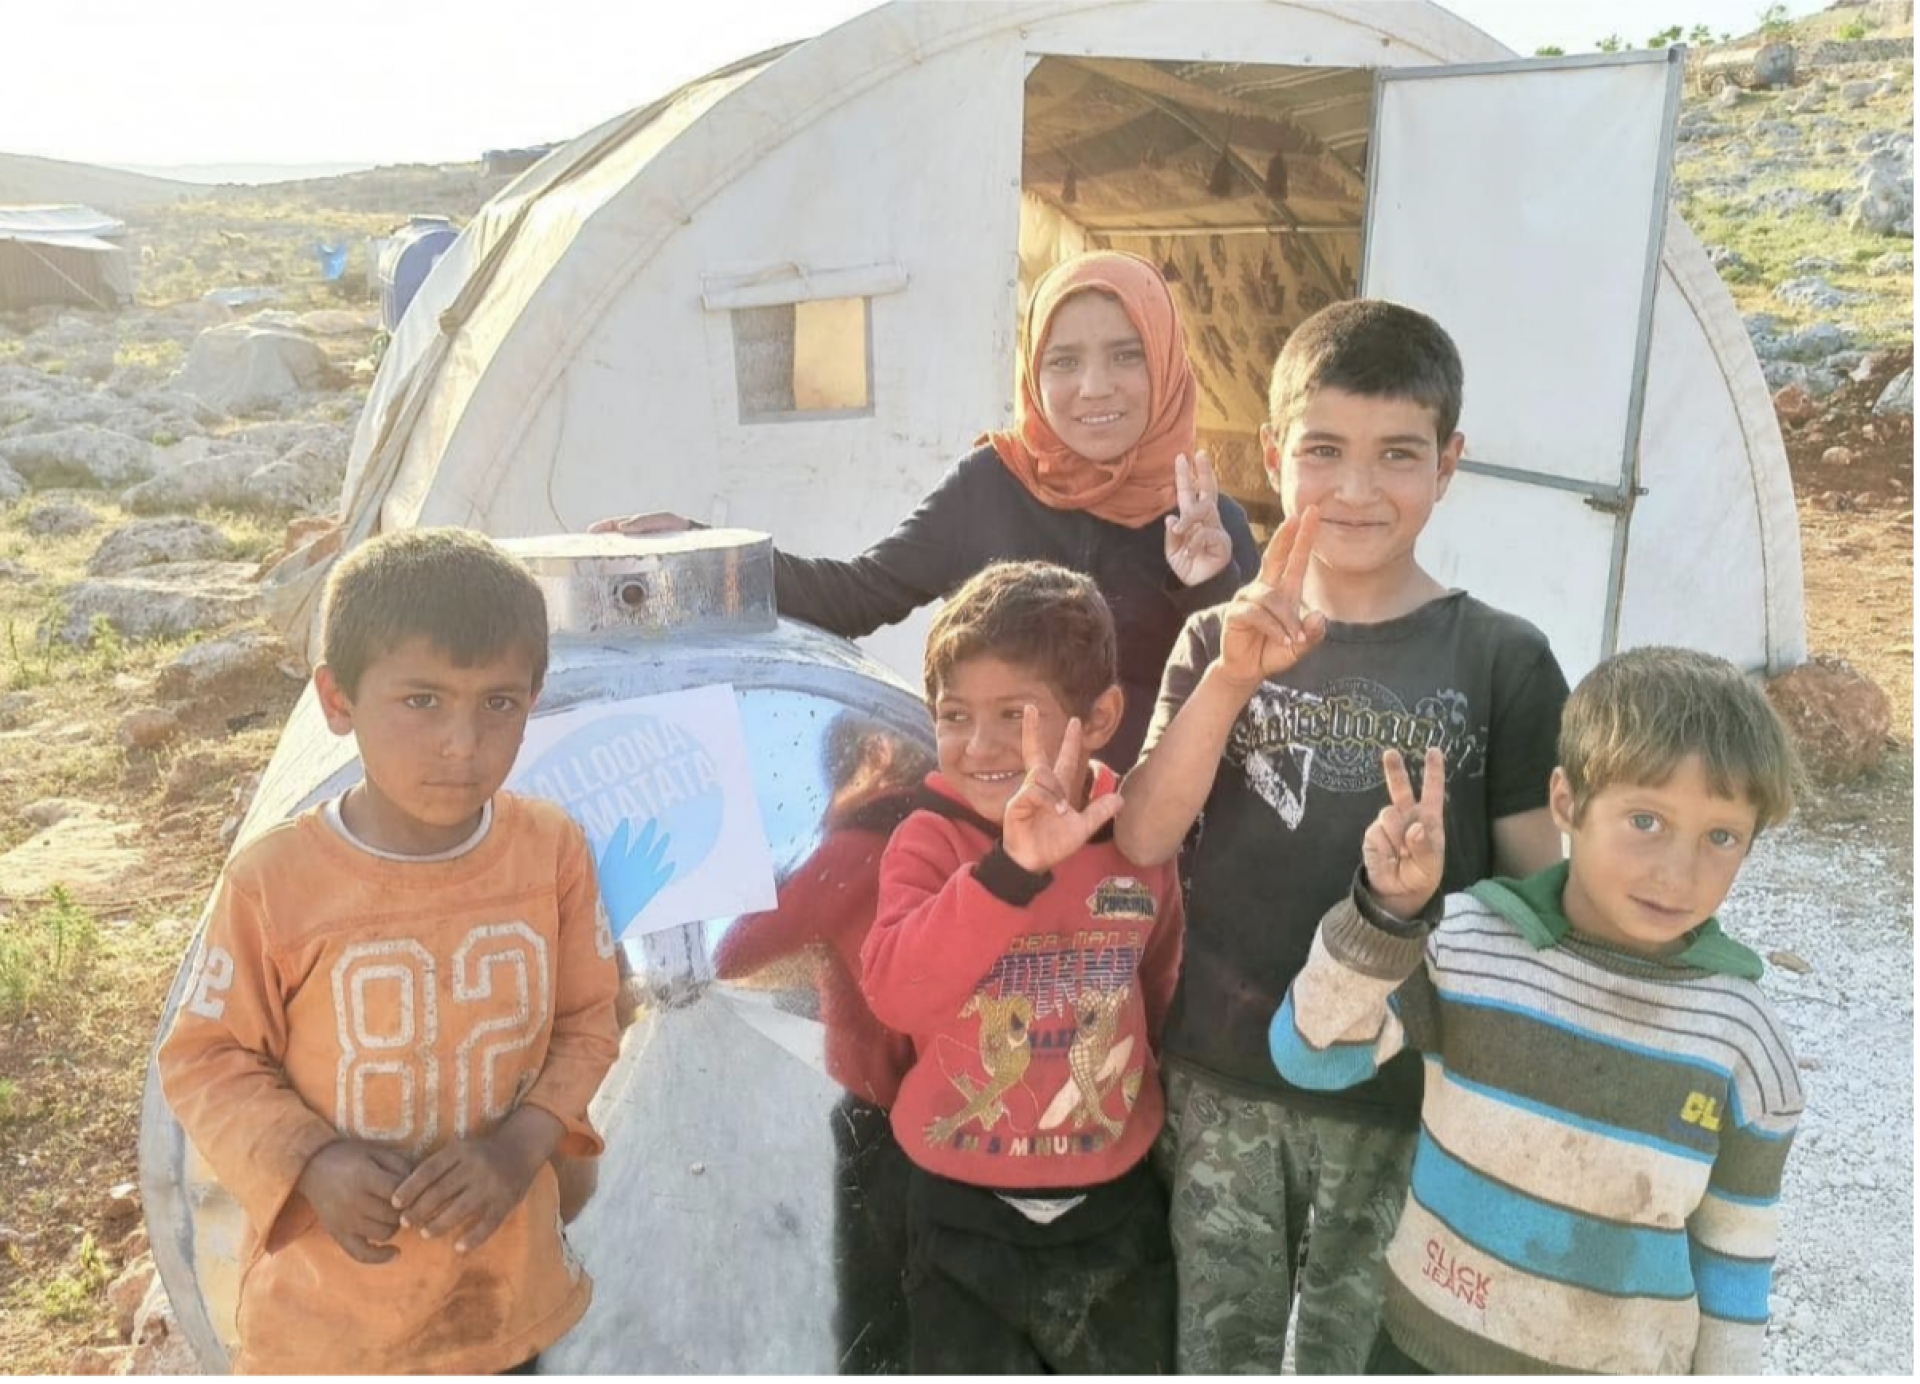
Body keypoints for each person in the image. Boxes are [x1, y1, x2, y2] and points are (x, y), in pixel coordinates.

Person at [1113, 299, 1571, 1373]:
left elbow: (1538, 905)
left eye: (1397, 454)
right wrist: (1232, 678)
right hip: (1225, 1079)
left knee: (1371, 1356)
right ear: (1273, 455)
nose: (1357, 489)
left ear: (1448, 464)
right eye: (1324, 451)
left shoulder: (1503, 658)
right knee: (1215, 1350)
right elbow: (1141, 835)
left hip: (1410, 1100)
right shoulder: (1215, 638)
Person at [158, 528, 622, 1376]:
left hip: (502, 1295)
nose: (462, 743)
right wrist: (313, 1161)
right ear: (338, 700)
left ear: (534, 697)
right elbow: (206, 1057)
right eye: (422, 700)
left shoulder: (550, 850)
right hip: (331, 1320)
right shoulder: (275, 882)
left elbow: (589, 1019)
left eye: (498, 703)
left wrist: (519, 1149)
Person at [1271, 646, 1805, 1375]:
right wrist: (1386, 916)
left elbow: (1736, 1251)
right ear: (1567, 803)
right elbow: (1308, 1053)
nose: (1679, 873)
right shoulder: (1468, 947)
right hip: (1423, 1354)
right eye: (1646, 820)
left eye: (1721, 837)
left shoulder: (1743, 1039)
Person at [597, 249, 1262, 771]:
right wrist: (703, 554)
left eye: (1126, 355)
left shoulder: (1211, 528)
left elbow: (1245, 714)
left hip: (1148, 853)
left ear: (1167, 361)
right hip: (992, 842)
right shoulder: (991, 485)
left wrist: (1210, 586)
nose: (1093, 387)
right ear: (1033, 373)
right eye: (1064, 361)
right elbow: (858, 595)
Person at [859, 561, 1184, 1373]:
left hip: (1114, 1208)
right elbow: (897, 991)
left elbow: (1161, 986)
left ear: (1099, 716)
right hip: (958, 1211)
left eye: (1015, 714)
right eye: (955, 715)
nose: (980, 746)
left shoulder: (1138, 839)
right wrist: (1008, 872)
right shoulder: (930, 840)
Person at [712, 715, 935, 1374]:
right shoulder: (949, 834)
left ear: (873, 759)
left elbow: (735, 952)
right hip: (974, 1101)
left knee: (876, 1299)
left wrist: (787, 871)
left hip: (887, 1119)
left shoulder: (852, 851)